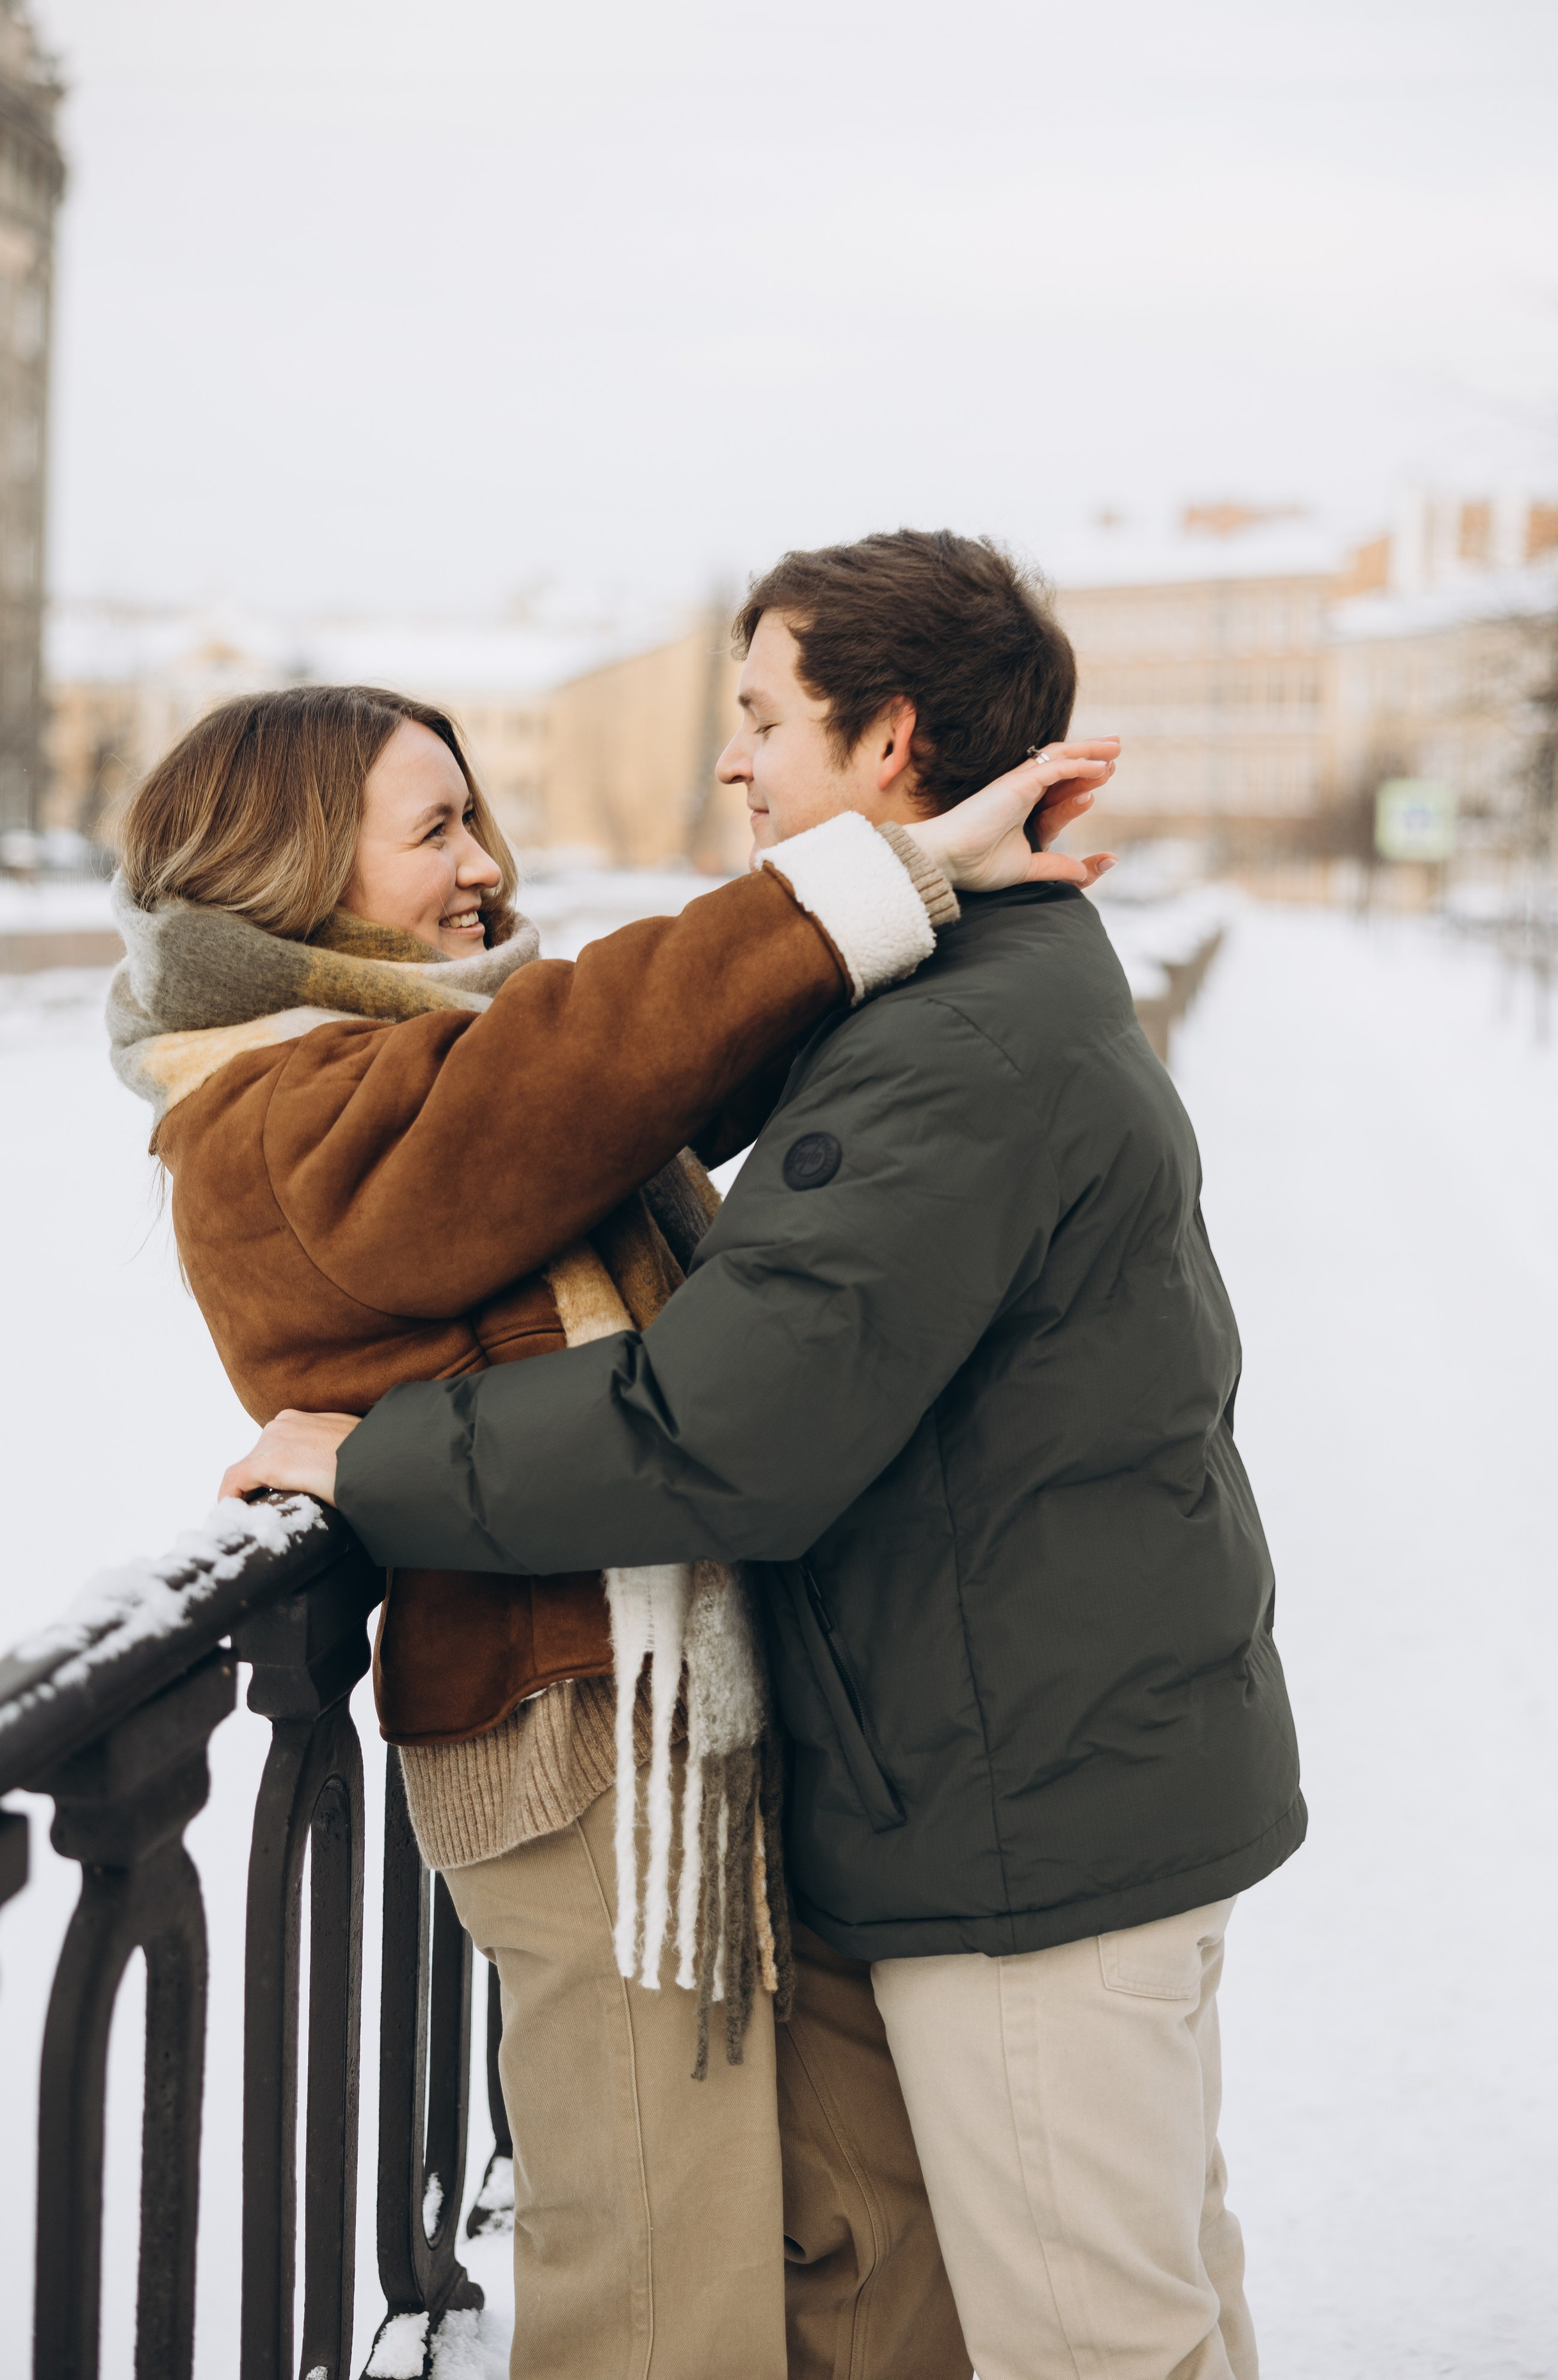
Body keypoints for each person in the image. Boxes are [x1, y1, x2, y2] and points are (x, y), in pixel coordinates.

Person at [231, 529, 1305, 2380]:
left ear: (885, 742)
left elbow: (714, 1433)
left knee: (1095, 2344)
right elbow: (639, 1067)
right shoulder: (969, 986)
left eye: (762, 718)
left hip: (1022, 1813)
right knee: (1152, 2310)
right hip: (1059, 1773)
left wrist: (373, 1462)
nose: (731, 762)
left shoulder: (951, 1052)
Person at [113, 675, 1116, 2380]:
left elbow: (644, 1063)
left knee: (863, 2225)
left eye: (478, 817)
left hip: (699, 1716)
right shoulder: (272, 1122)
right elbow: (586, 1068)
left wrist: (933, 890)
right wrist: (888, 871)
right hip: (574, 1750)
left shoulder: (450, 1055)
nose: (485, 865)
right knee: (656, 2285)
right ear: (290, 871)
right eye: (436, 830)